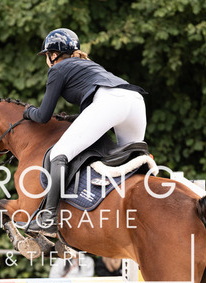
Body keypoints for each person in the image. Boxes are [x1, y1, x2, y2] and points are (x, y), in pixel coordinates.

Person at [24, 28, 148, 236]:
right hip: (135, 100)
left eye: (47, 55)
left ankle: (49, 219)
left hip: (110, 102)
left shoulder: (57, 69)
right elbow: (92, 110)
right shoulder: (90, 65)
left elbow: (43, 115)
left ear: (53, 54)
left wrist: (28, 112)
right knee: (133, 162)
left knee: (58, 153)